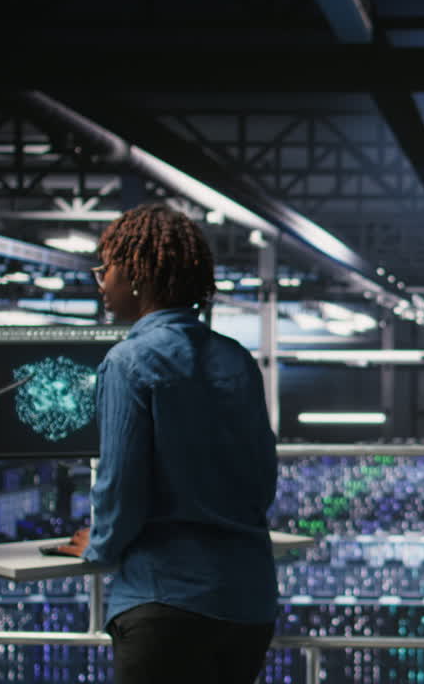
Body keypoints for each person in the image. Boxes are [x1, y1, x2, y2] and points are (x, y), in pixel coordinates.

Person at [55, 203, 278, 684]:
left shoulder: (129, 361)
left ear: (136, 275)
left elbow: (120, 485)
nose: (100, 280)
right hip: (248, 601)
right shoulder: (237, 359)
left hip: (167, 602)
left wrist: (100, 547)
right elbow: (263, 481)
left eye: (106, 267)